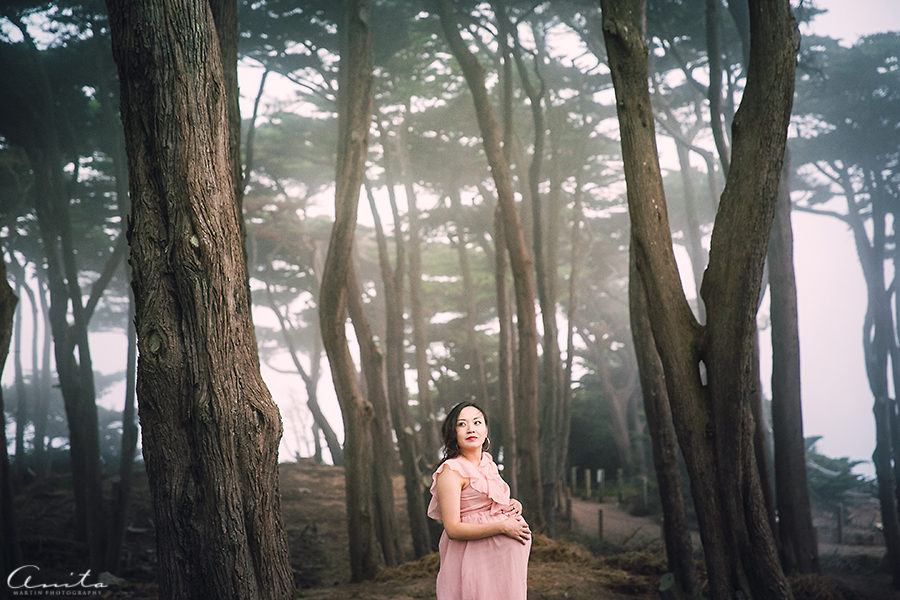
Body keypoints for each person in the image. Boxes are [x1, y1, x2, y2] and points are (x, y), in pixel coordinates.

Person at [427, 401, 531, 599]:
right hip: (474, 562)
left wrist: (512, 504)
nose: (470, 429)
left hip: (505, 569)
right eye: (462, 424)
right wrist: (503, 527)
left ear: (485, 430)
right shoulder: (451, 471)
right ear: (453, 432)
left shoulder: (487, 463)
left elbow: (486, 505)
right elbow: (453, 528)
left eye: (477, 422)